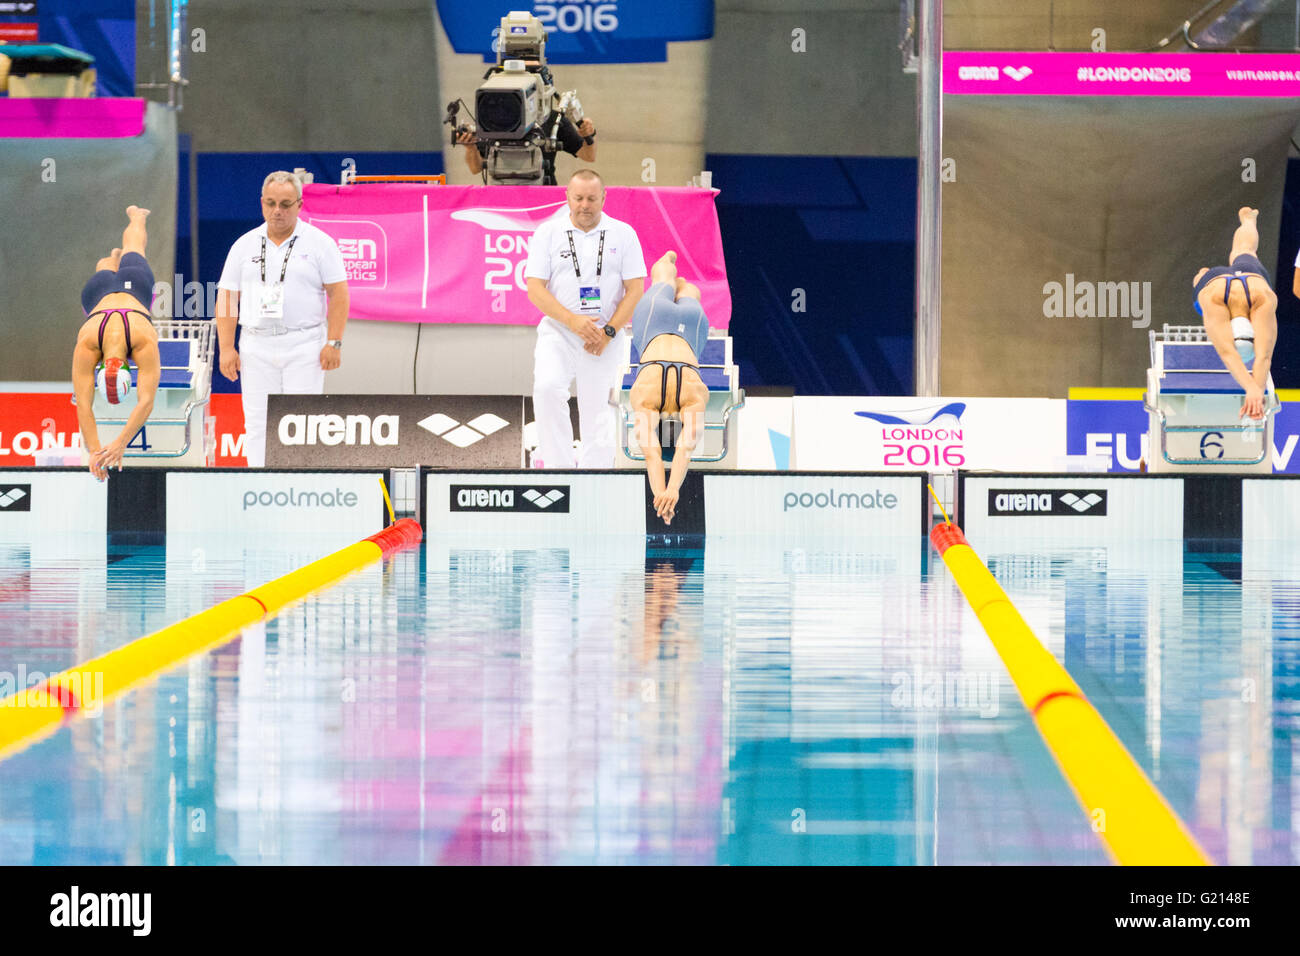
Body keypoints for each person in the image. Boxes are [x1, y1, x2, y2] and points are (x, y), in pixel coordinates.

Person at [216, 171, 350, 467]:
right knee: (257, 422)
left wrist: (334, 342)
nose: (278, 210)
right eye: (272, 203)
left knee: (303, 423)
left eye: (286, 204)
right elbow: (227, 297)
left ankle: (300, 485)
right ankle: (260, 484)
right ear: (262, 203)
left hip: (305, 345)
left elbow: (339, 294)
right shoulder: (244, 245)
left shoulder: (320, 243)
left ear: (300, 205)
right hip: (256, 344)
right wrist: (226, 348)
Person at [526, 169, 645, 468]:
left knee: (598, 412)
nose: (585, 205)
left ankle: (596, 478)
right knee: (547, 388)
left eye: (592, 198)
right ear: (567, 197)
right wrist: (571, 321)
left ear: (604, 198)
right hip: (560, 332)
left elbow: (635, 289)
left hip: (605, 337)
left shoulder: (624, 234)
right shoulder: (548, 233)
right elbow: (535, 289)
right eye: (578, 198)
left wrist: (608, 331)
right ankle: (559, 470)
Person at [71, 206, 161, 481]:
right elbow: (143, 402)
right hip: (97, 296)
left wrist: (101, 450)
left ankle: (136, 220)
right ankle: (134, 222)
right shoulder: (89, 343)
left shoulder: (141, 340)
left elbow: (144, 402)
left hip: (136, 291)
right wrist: (104, 449)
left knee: (134, 248)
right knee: (108, 265)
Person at [628, 252, 711, 525]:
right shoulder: (643, 400)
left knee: (691, 292)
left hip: (691, 326)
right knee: (662, 276)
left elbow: (684, 451)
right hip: (654, 322)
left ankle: (681, 284)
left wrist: (672, 489)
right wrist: (663, 493)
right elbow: (651, 455)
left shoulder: (694, 398)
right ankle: (670, 269)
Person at [1192, 207, 1277, 420]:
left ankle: (1248, 221)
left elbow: (1260, 356)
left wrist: (1254, 390)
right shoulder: (1262, 299)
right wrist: (1253, 390)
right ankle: (1202, 273)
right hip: (1216, 282)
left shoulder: (1263, 298)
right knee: (1200, 281)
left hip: (1242, 282)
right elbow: (1257, 355)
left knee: (1245, 251)